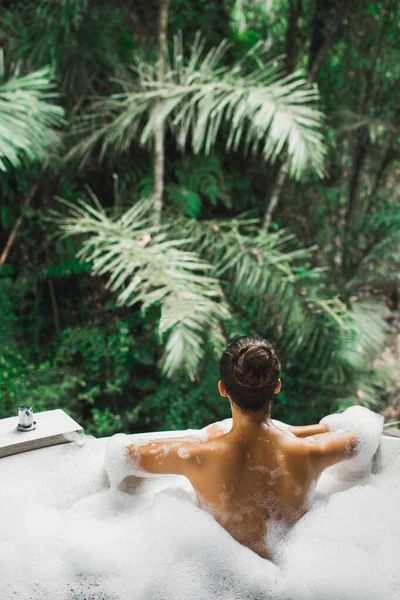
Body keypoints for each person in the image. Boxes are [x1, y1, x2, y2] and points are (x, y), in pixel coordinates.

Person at [124, 334, 359, 560]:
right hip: (294, 576)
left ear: (222, 389)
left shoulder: (197, 455)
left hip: (224, 578)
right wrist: (305, 431)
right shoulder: (312, 452)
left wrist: (203, 437)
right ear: (276, 386)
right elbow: (357, 436)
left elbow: (128, 454)